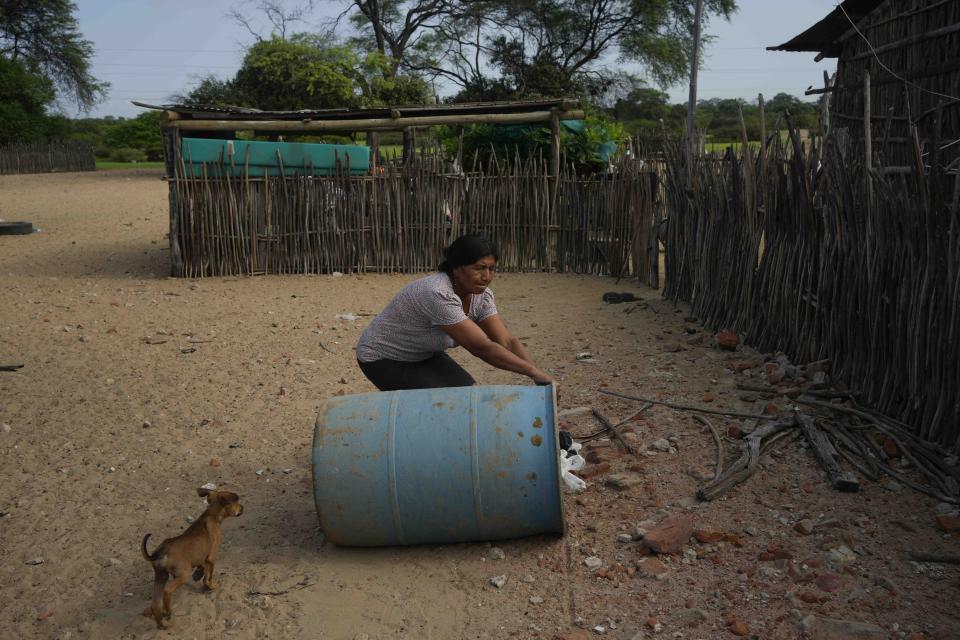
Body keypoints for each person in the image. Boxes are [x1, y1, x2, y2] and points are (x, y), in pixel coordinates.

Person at [356, 233, 554, 391]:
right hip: (382, 357)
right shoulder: (438, 293)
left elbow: (506, 341)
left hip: (423, 354)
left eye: (492, 269)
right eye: (479, 268)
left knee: (469, 394)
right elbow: (481, 347)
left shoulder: (481, 296)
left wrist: (537, 376)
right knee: (447, 406)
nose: (487, 276)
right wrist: (532, 372)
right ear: (457, 269)